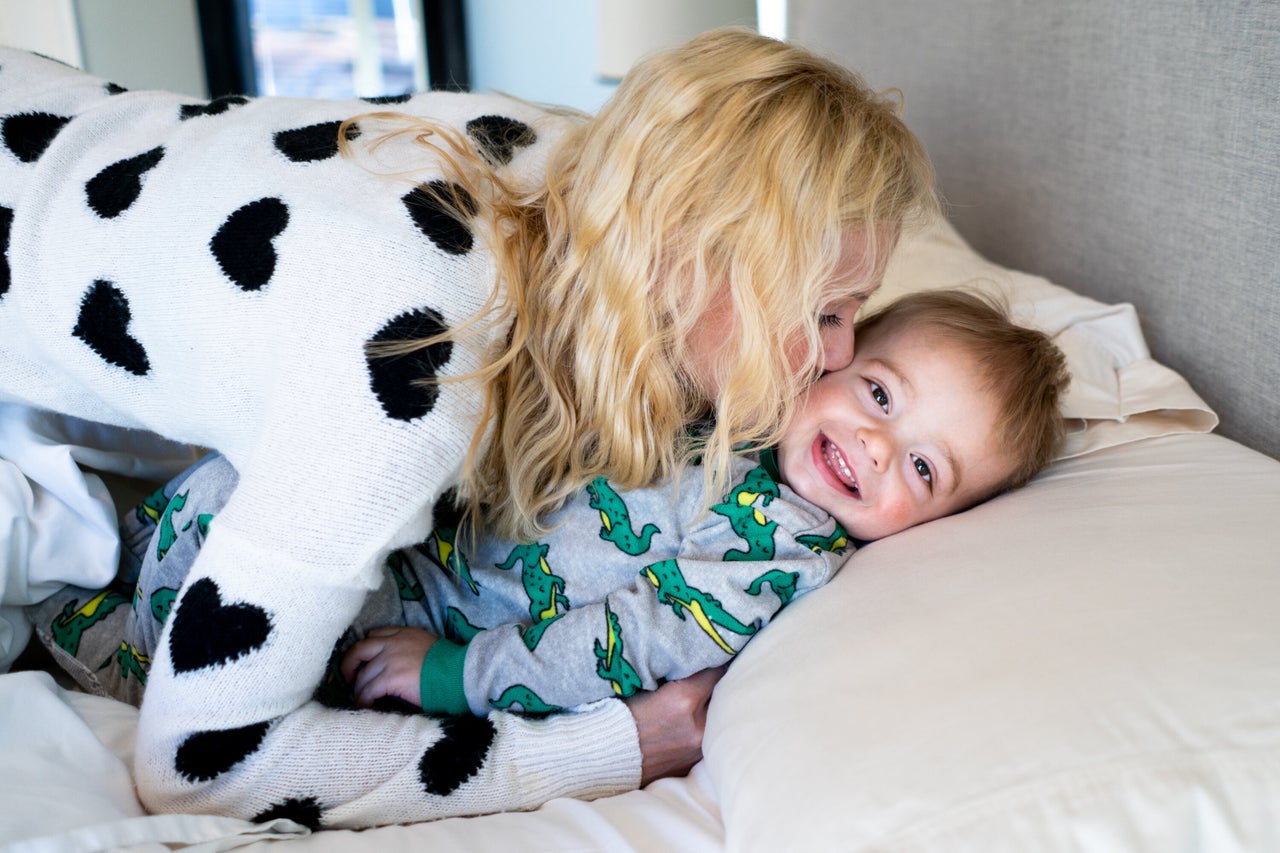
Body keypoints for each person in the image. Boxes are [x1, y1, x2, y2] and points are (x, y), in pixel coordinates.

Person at [1, 27, 936, 828]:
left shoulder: (583, 171)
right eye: (823, 310)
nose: (840, 354)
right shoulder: (416, 352)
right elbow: (199, 763)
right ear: (694, 259)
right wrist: (618, 745)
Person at [36, 289, 1069, 730]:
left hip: (434, 613)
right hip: (436, 519)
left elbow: (623, 644)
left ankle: (103, 646)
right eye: (878, 393)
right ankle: (82, 556)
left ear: (935, 524)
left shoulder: (780, 556)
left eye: (924, 471)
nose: (876, 445)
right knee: (228, 484)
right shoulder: (743, 411)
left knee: (239, 579)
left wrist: (453, 673)